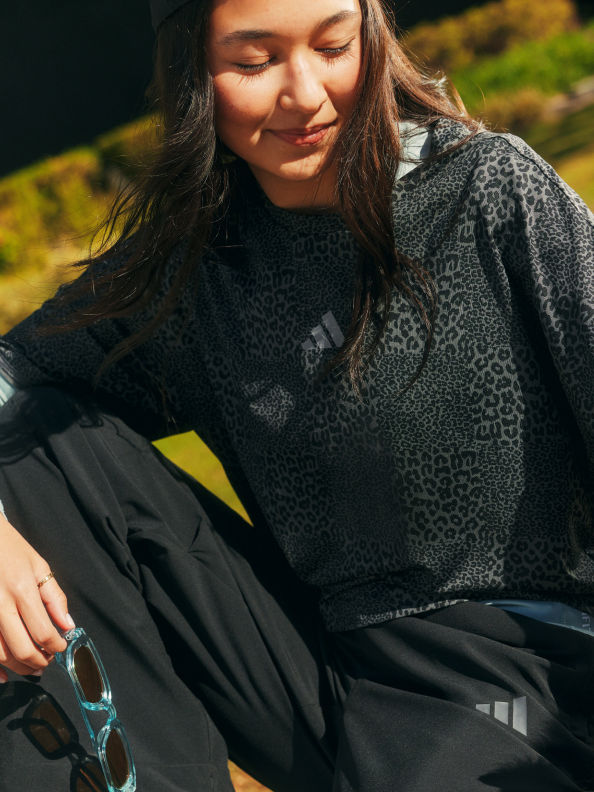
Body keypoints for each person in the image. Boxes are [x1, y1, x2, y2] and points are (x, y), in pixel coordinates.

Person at [0, 0, 593, 789]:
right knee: (34, 446)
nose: (306, 94)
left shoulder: (486, 191)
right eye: (254, 63)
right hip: (330, 675)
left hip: (519, 676)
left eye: (334, 46)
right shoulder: (194, 277)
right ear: (193, 75)